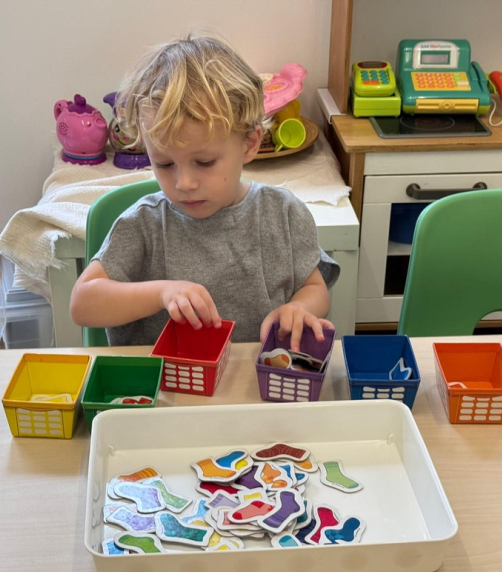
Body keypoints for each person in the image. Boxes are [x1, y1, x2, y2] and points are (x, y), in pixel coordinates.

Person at [70, 34, 339, 352]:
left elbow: (315, 288)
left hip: (255, 377)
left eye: (204, 162)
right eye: (164, 163)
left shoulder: (283, 213)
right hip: (164, 380)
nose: (184, 183)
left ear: (249, 144)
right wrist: (161, 293)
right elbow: (82, 304)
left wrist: (299, 309)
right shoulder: (143, 224)